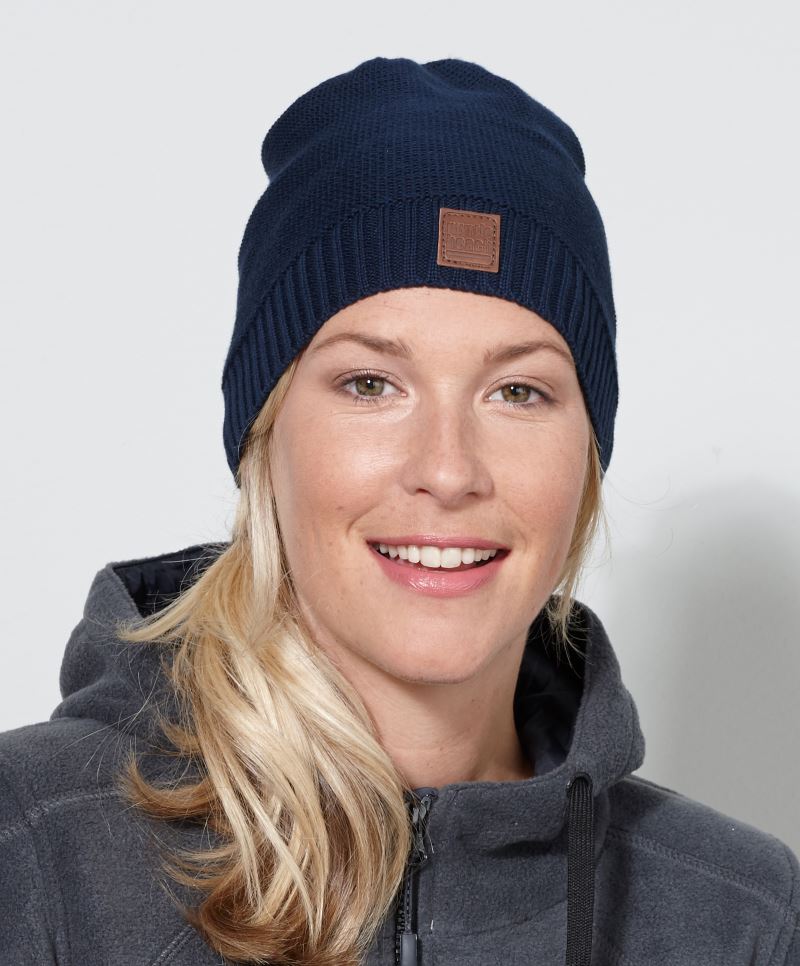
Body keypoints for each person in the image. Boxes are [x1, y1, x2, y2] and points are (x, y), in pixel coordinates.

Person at [0, 55, 797, 966]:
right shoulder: (33, 853)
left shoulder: (744, 921)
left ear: (586, 454)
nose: (448, 471)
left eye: (518, 392)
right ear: (265, 435)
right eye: (371, 383)